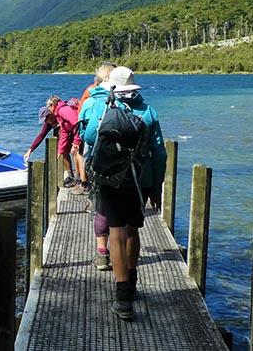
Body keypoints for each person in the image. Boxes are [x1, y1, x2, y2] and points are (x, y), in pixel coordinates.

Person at [80, 66, 167, 321]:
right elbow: (159, 153)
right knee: (133, 231)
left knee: (116, 234)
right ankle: (132, 281)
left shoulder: (104, 107)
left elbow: (89, 138)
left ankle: (122, 299)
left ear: (112, 87)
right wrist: (156, 185)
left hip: (111, 180)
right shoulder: (148, 111)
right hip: (140, 180)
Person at [75, 62, 117, 268]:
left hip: (98, 159)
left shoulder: (91, 102)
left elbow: (87, 134)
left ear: (98, 80)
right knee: (121, 209)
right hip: (125, 162)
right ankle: (123, 259)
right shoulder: (126, 100)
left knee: (101, 206)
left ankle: (102, 254)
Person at [44, 95, 80, 186]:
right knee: (67, 152)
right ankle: (73, 177)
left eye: (49, 107)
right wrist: (60, 150)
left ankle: (79, 180)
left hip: (81, 132)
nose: (49, 109)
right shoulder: (59, 113)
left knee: (76, 153)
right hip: (75, 132)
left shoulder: (62, 110)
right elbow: (64, 131)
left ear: (52, 105)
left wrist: (76, 142)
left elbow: (77, 123)